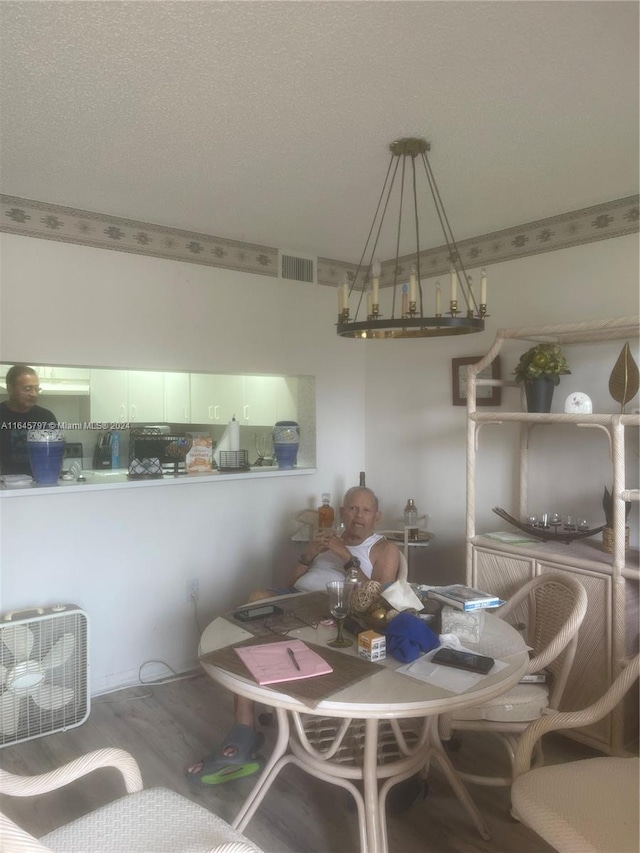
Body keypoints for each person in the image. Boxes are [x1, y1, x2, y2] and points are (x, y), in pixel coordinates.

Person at [187, 485, 400, 787]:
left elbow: (379, 597)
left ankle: (249, 725)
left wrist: (346, 558)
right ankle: (245, 722)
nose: (358, 516)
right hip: (295, 599)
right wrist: (308, 554)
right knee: (256, 598)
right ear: (342, 512)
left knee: (257, 638)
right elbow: (288, 583)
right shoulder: (330, 539)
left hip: (331, 610)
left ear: (377, 515)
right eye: (352, 509)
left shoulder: (384, 549)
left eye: (365, 510)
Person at [0, 365, 58, 476]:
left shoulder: (46, 417)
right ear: (10, 389)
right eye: (27, 389)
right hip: (5, 486)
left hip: (41, 482)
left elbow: (58, 452)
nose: (34, 394)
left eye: (37, 389)